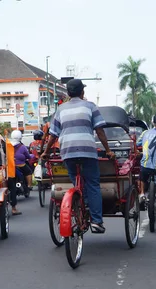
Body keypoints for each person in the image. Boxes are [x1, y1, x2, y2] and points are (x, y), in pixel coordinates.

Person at [41, 79, 115, 233]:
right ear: (82, 92)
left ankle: (81, 202)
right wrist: (108, 150)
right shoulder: (90, 106)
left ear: (68, 93)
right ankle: (96, 221)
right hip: (87, 151)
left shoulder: (60, 109)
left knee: (76, 180)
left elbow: (53, 135)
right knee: (93, 184)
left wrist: (46, 152)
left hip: (68, 152)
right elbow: (100, 131)